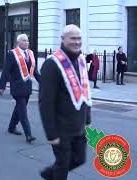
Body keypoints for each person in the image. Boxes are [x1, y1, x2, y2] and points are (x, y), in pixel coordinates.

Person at [39, 24, 91, 180]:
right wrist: (51, 134)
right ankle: (55, 174)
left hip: (79, 125)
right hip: (61, 128)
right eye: (73, 38)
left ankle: (49, 174)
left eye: (79, 38)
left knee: (79, 159)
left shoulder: (81, 60)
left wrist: (87, 118)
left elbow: (85, 92)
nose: (77, 42)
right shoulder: (52, 64)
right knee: (63, 166)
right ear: (63, 39)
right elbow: (45, 102)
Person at [0, 34, 40, 144]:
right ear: (18, 42)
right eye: (24, 41)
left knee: (19, 108)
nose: (27, 42)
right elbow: (6, 70)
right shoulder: (12, 54)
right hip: (17, 87)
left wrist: (43, 83)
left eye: (27, 41)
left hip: (27, 87)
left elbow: (34, 71)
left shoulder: (30, 53)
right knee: (23, 111)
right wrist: (2, 86)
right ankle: (28, 135)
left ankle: (12, 127)